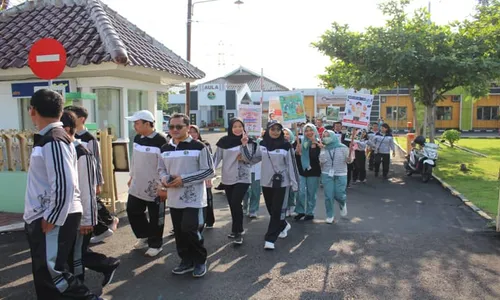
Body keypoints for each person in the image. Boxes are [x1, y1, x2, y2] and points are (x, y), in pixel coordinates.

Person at [23, 89, 101, 300]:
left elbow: (64, 183)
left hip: (53, 216)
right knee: (45, 273)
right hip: (45, 215)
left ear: (33, 110)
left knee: (53, 273)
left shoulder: (54, 139)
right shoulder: (49, 138)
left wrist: (53, 216)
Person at [61, 111, 120, 288]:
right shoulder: (62, 150)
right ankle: (106, 265)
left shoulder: (82, 150)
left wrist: (87, 219)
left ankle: (79, 289)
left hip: (80, 213)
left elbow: (88, 186)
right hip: (66, 213)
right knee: (72, 253)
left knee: (77, 256)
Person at [157, 113, 215, 278]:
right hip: (174, 199)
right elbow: (161, 169)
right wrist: (164, 179)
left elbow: (209, 171)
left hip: (194, 199)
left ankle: (199, 260)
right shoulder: (165, 148)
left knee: (190, 229)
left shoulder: (199, 147)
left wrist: (184, 180)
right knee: (180, 233)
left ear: (188, 128)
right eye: (171, 127)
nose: (174, 130)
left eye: (178, 126)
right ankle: (186, 261)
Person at [65, 105, 119, 244]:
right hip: (75, 178)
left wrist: (98, 181)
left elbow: (96, 161)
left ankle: (105, 225)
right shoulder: (70, 136)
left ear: (81, 119)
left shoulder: (90, 139)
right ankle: (105, 226)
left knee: (91, 202)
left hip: (88, 178)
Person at [240, 122, 299, 250]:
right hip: (266, 182)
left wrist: (295, 184)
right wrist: (244, 145)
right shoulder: (263, 144)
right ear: (268, 130)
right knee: (271, 209)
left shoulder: (286, 145)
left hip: (282, 182)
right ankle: (283, 224)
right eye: (273, 129)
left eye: (278, 129)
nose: (275, 131)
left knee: (277, 209)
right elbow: (251, 159)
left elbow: (291, 165)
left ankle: (270, 238)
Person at [126, 110, 168, 257]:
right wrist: (132, 176)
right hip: (138, 182)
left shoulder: (161, 140)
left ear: (147, 123)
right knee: (132, 210)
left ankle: (156, 244)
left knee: (156, 216)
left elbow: (166, 165)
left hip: (155, 186)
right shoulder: (137, 138)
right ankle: (145, 235)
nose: (134, 126)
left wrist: (164, 186)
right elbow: (134, 159)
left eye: (137, 123)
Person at [214, 118, 254, 245]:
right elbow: (216, 159)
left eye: (240, 126)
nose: (237, 129)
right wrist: (208, 174)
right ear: (230, 128)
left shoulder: (249, 141)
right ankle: (238, 229)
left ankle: (237, 232)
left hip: (243, 177)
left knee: (236, 202)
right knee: (233, 204)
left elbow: (249, 159)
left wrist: (244, 145)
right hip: (227, 177)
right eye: (235, 126)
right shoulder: (223, 142)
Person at [319, 131, 350, 224]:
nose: (325, 138)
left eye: (327, 136)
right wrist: (323, 150)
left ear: (333, 136)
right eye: (323, 136)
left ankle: (342, 203)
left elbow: (349, 160)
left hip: (341, 173)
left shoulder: (343, 147)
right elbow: (322, 161)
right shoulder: (323, 148)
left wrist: (349, 159)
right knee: (328, 196)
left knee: (339, 194)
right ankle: (330, 215)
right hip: (326, 173)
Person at [189, 125, 215, 228]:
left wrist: (209, 178)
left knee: (207, 199)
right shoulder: (184, 145)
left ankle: (209, 220)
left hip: (205, 176)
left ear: (198, 133)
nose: (192, 134)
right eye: (190, 132)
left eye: (194, 132)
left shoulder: (204, 145)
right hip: (191, 178)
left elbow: (210, 163)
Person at [294, 124, 321, 221]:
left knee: (311, 193)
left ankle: (310, 212)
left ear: (314, 131)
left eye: (311, 130)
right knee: (300, 192)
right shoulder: (299, 141)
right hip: (301, 171)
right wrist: (297, 152)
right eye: (306, 130)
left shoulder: (319, 143)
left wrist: (314, 144)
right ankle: (300, 211)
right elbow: (295, 158)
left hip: (314, 171)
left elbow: (315, 157)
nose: (309, 132)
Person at [283, 128, 298, 217]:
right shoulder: (280, 145)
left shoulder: (294, 145)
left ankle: (291, 206)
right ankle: (285, 208)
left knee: (292, 190)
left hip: (292, 171)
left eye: (287, 134)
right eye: (283, 133)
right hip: (283, 172)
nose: (285, 135)